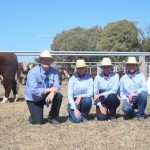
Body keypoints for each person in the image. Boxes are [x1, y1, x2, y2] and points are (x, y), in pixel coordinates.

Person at [24, 50, 63, 125]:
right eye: (44, 59)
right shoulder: (33, 72)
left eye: (48, 60)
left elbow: (57, 86)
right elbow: (34, 90)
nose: (46, 61)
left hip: (46, 95)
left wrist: (52, 92)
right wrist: (51, 89)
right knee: (38, 122)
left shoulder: (54, 71)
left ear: (51, 61)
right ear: (40, 61)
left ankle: (52, 117)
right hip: (34, 98)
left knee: (58, 96)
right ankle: (32, 117)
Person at [67, 59, 93, 123]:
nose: (81, 70)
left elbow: (90, 93)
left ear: (85, 68)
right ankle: (73, 116)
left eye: (82, 68)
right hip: (74, 102)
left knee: (88, 100)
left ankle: (84, 116)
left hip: (84, 100)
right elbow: (70, 96)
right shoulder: (72, 79)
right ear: (77, 69)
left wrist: (80, 96)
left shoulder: (89, 79)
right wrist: (75, 109)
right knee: (77, 120)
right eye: (79, 68)